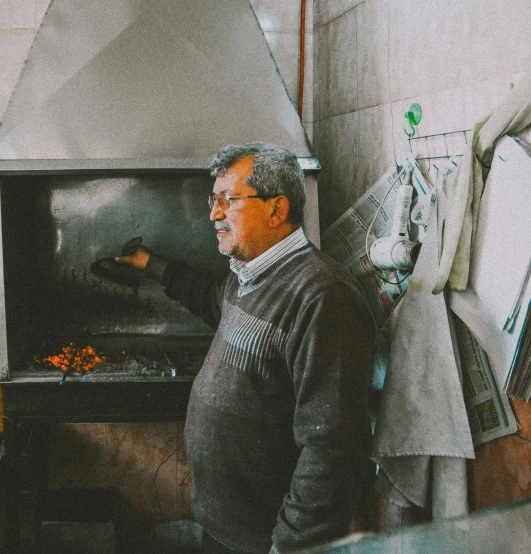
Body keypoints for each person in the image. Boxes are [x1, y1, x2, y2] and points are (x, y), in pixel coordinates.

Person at [115, 142, 376, 553]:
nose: (214, 214)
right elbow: (210, 298)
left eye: (228, 200)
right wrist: (152, 264)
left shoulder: (324, 297)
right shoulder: (248, 275)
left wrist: (288, 547)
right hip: (225, 528)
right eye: (213, 200)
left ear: (277, 209)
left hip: (265, 540)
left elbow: (331, 451)